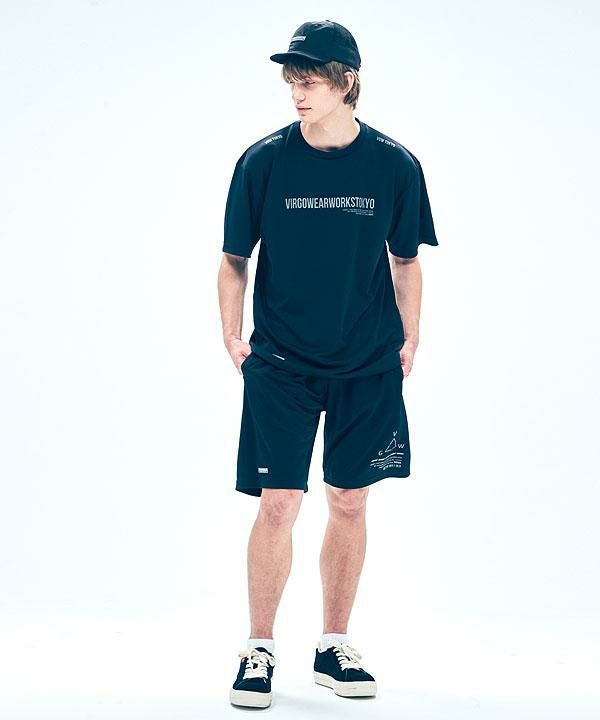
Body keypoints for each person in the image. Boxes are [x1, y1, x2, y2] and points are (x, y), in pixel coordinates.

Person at [217, 19, 439, 709]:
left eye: (309, 80)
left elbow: (406, 261)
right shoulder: (263, 162)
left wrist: (411, 336)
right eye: (292, 81)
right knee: (279, 502)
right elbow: (234, 259)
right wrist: (231, 335)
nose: (297, 93)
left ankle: (333, 645)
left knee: (349, 499)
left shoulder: (395, 165)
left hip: (368, 361)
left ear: (347, 82)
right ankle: (258, 649)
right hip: (281, 361)